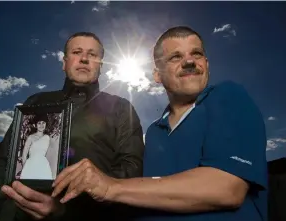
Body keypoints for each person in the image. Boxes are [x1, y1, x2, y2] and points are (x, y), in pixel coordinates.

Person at [51, 26, 268, 221]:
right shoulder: (154, 132)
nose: (189, 61)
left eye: (197, 54)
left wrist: (110, 186)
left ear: (207, 65)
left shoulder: (228, 97)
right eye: (175, 57)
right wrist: (60, 209)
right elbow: (141, 195)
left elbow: (227, 187)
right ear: (157, 75)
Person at [0, 32, 144, 221]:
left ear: (101, 66)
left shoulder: (121, 108)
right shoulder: (36, 101)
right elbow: (3, 161)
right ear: (64, 62)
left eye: (92, 55)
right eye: (77, 52)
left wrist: (77, 202)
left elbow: (132, 167)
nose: (84, 59)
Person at [20, 115, 52, 180]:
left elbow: (47, 154)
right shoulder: (31, 137)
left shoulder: (47, 138)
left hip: (43, 166)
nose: (41, 125)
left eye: (43, 123)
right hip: (30, 165)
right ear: (35, 125)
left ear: (46, 124)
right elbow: (24, 155)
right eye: (39, 123)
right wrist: (25, 168)